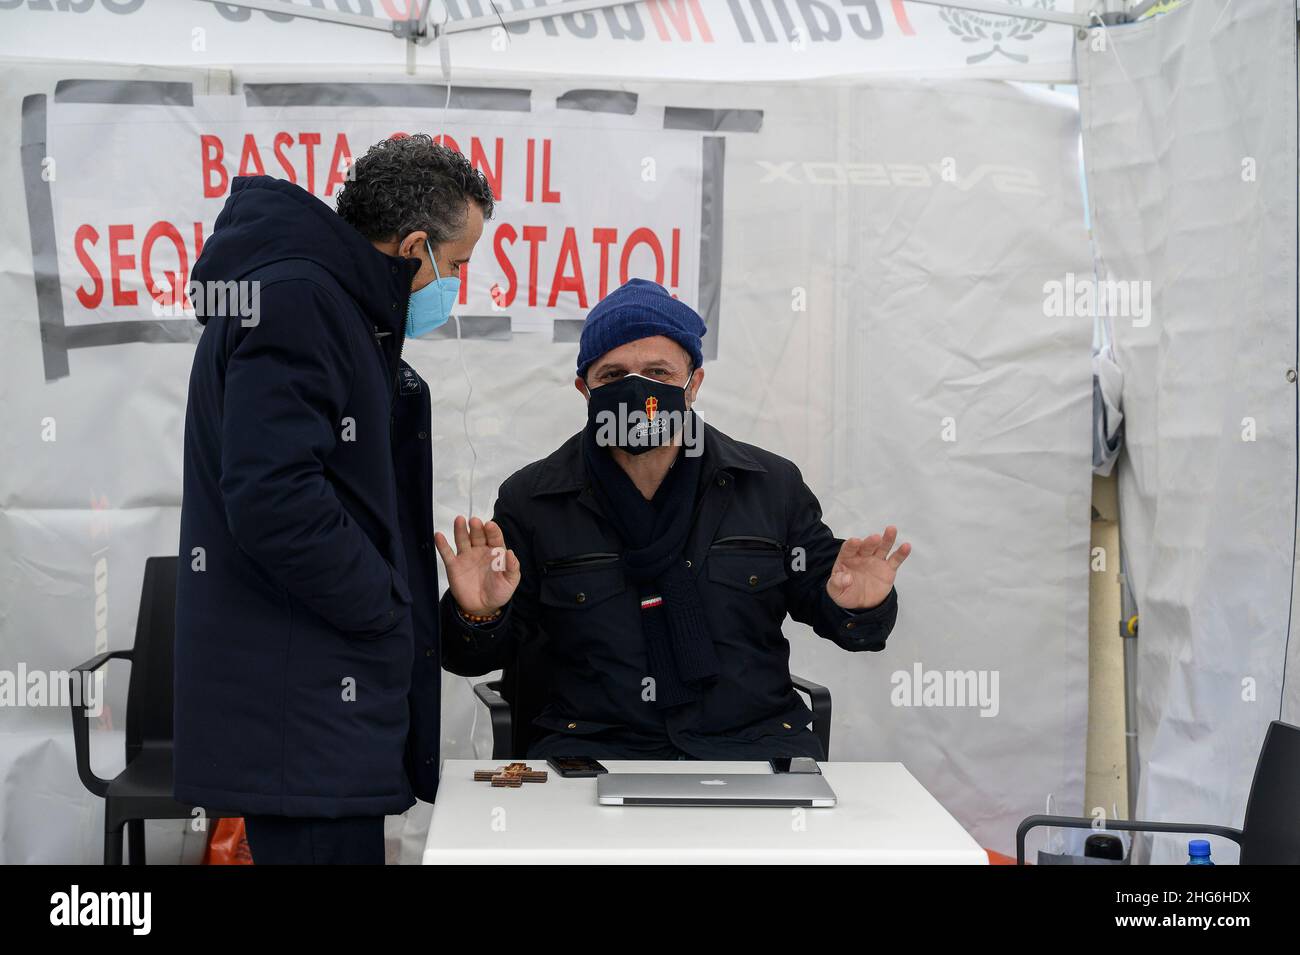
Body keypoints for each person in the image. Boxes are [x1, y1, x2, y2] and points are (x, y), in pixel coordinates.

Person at [174, 135, 494, 864]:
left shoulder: (324, 300)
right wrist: (383, 604)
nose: (459, 284)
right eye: (460, 262)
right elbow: (273, 496)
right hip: (304, 710)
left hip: (314, 709)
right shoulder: (304, 301)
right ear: (416, 244)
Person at [437, 278, 910, 760]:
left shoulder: (769, 485)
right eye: (613, 375)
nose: (637, 390)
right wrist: (478, 613)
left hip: (753, 747)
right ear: (584, 389)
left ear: (694, 384)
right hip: (592, 753)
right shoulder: (533, 500)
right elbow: (470, 656)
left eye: (659, 372)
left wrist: (859, 607)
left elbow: (846, 620)